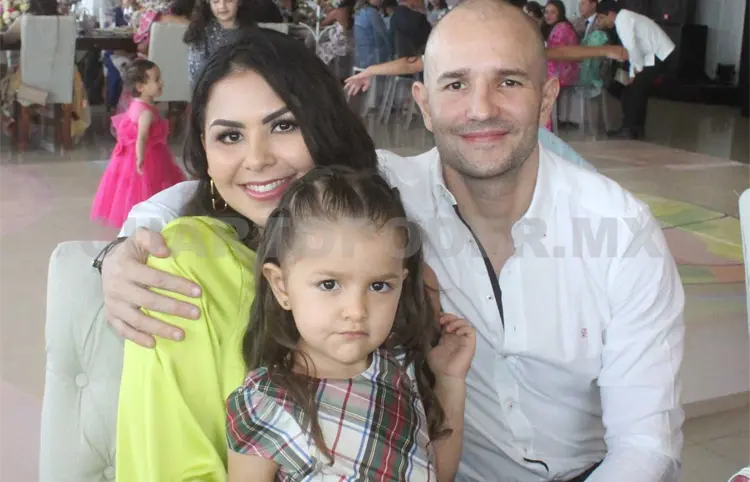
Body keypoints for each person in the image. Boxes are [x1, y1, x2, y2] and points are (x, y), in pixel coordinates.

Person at [103, 1, 685, 480]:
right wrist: (121, 248)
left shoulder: (619, 229)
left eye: (508, 81)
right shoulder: (379, 197)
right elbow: (238, 185)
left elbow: (645, 443)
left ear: (548, 98)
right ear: (423, 104)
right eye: (455, 84)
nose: (481, 108)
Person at [226, 165, 476, 481]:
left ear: (401, 283)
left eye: (379, 286)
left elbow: (437, 474)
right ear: (281, 286)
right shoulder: (266, 403)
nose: (356, 311)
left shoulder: (399, 371)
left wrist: (450, 380)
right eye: (329, 284)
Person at [91, 59, 185, 228]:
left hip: (128, 156)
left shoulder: (135, 105)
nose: (161, 83)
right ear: (140, 86)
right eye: (156, 80)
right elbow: (141, 138)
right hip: (148, 156)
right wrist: (140, 158)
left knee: (128, 189)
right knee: (148, 187)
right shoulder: (146, 113)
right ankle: (150, 218)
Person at [595, 0, 675, 140]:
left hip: (659, 54)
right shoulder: (624, 17)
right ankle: (636, 128)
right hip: (654, 54)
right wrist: (634, 71)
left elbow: (631, 47)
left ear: (611, 14)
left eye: (602, 17)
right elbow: (633, 48)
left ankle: (628, 129)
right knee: (636, 90)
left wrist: (636, 70)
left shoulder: (623, 20)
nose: (602, 22)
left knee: (633, 91)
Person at [184, 0, 282, 89]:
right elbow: (196, 77)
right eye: (216, 1)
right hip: (212, 95)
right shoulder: (200, 32)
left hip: (246, 91)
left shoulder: (252, 32)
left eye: (229, 1)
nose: (222, 6)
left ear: (239, 1)